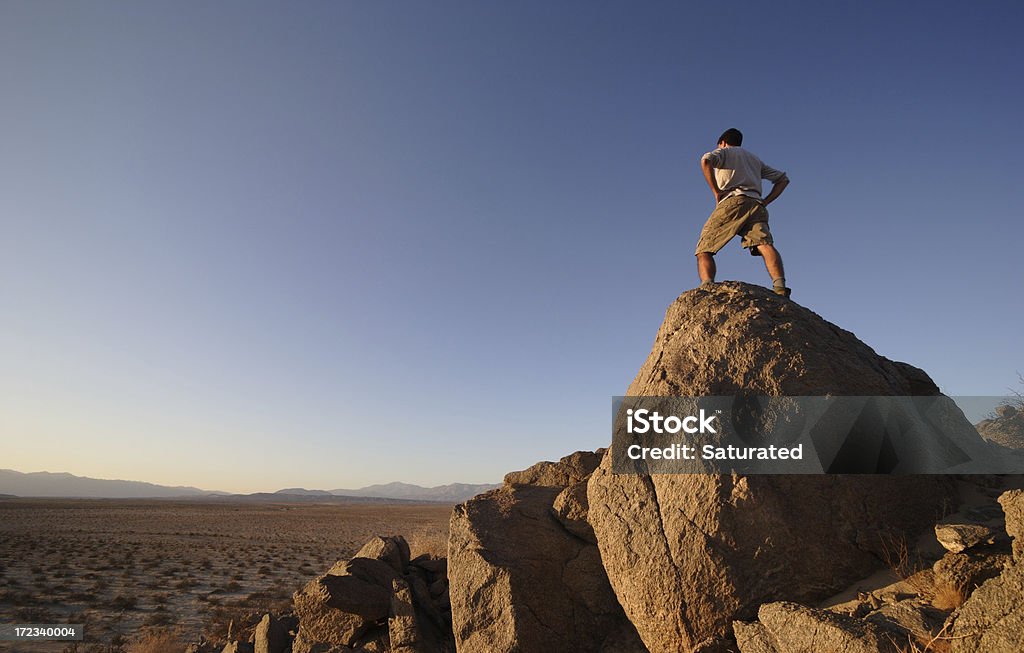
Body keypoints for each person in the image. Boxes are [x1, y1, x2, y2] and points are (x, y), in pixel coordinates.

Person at [694, 128, 791, 297]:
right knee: (765, 244)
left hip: (733, 201)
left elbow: (706, 160)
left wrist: (716, 191)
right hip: (756, 204)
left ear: (723, 143)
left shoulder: (724, 152)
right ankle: (780, 287)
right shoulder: (754, 160)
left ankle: (706, 287)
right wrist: (766, 201)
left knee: (704, 249)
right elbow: (783, 179)